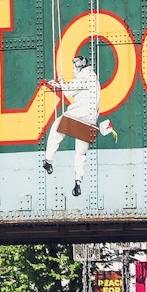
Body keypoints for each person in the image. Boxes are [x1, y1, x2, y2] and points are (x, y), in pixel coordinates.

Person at [41, 55, 103, 196]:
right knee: (81, 152)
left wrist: (61, 81)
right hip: (90, 121)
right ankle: (78, 182)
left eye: (74, 67)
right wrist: (59, 85)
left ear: (80, 66)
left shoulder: (84, 76)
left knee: (56, 128)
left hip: (77, 116)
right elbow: (77, 89)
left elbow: (69, 91)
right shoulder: (94, 79)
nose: (72, 70)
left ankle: (48, 160)